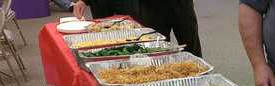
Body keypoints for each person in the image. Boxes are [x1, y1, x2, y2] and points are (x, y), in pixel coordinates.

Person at [73, 0, 202, 57]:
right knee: (156, 49)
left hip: (179, 4)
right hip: (150, 6)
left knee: (190, 44)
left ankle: (202, 83)